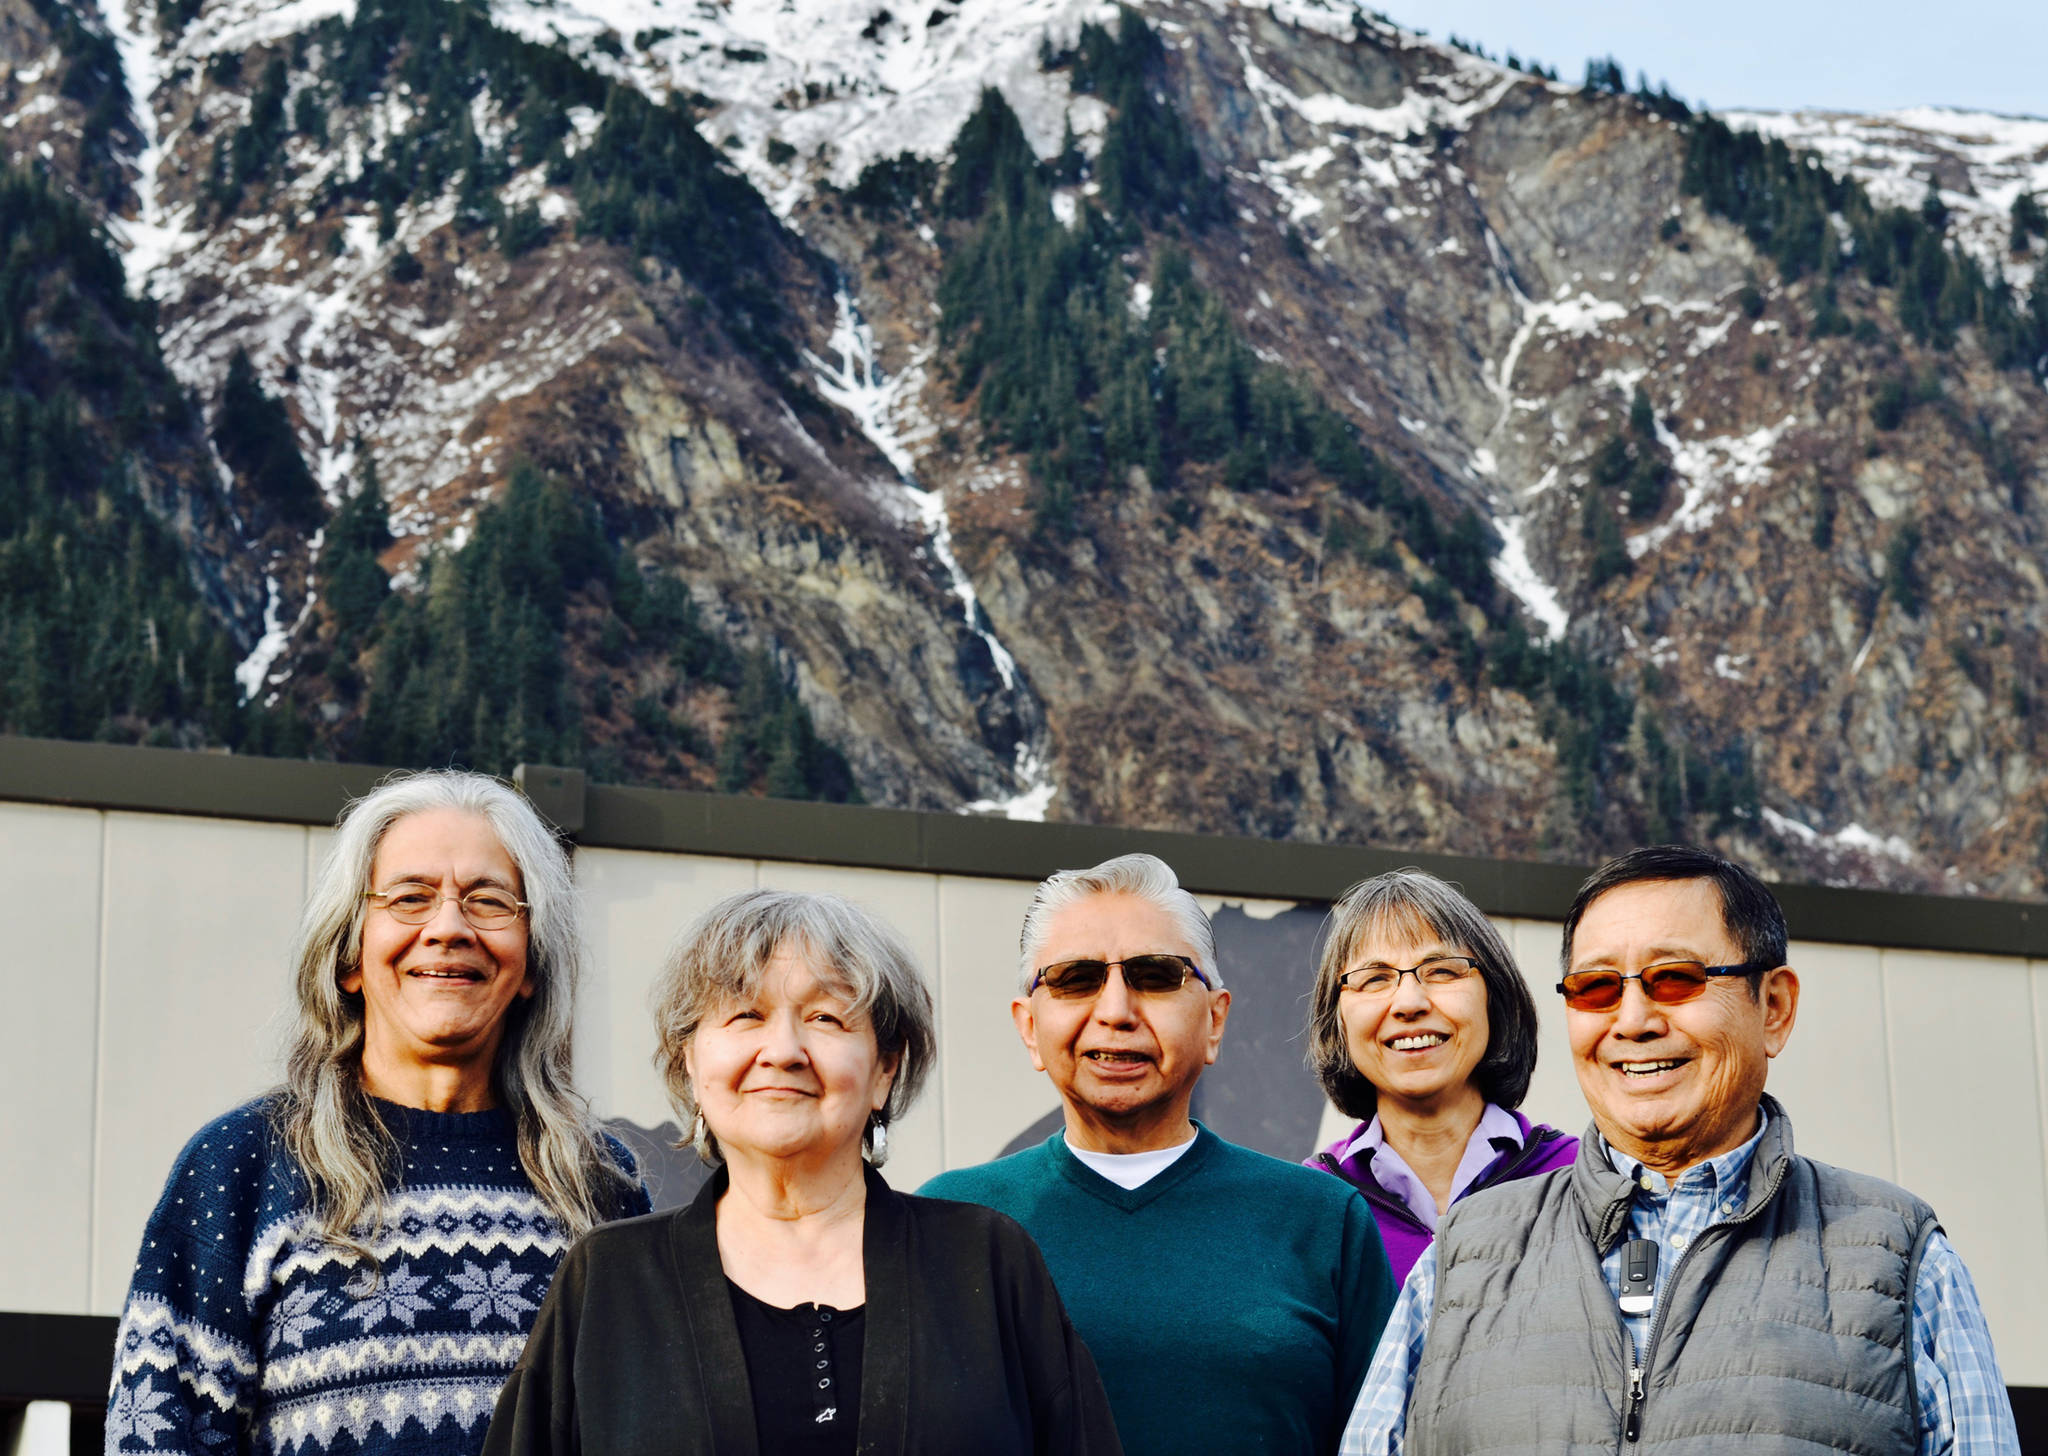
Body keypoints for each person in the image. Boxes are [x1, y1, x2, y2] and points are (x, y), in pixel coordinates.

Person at [1341, 844, 2022, 1455]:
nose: (1633, 1021)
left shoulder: (1899, 1259)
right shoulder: (1460, 1258)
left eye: (1675, 978)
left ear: (1774, 1008)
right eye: (1597, 987)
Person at [105, 770, 649, 1456]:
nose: (448, 928)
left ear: (532, 962)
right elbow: (155, 1437)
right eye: (410, 897)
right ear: (349, 957)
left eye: (487, 900)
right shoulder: (243, 1164)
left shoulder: (601, 1184)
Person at [482, 889, 1120, 1455]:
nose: (783, 1052)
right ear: (689, 1061)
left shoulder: (987, 1260)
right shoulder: (609, 1279)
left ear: (885, 1068)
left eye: (825, 1018)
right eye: (745, 1016)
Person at [922, 853, 1396, 1456]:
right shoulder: (949, 1222)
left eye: (1155, 975)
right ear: (1028, 1028)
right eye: (1075, 979)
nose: (1115, 1011)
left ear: (1215, 1020)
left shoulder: (1323, 1221)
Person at [1302, 869, 1576, 1285]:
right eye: (1375, 978)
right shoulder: (1306, 1204)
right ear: (1337, 1019)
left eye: (1442, 971)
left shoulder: (1579, 1179)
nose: (1409, 1002)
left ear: (1495, 998)